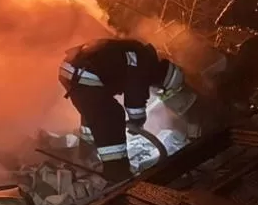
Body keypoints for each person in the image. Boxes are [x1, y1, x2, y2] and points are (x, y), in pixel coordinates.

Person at [58, 38, 186, 182]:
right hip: (83, 73)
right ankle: (117, 172)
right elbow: (135, 98)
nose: (156, 90)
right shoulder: (144, 63)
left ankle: (85, 152)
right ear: (164, 79)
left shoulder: (140, 54)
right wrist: (137, 121)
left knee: (95, 111)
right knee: (112, 115)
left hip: (70, 70)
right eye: (161, 89)